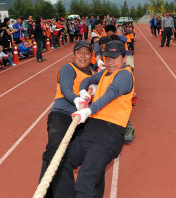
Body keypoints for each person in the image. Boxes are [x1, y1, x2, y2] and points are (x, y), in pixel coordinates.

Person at [53, 40, 134, 198]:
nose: (110, 62)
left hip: (110, 133)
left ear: (124, 58)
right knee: (62, 163)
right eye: (107, 58)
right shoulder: (105, 72)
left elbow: (111, 94)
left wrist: (88, 111)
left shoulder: (124, 75)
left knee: (85, 181)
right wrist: (83, 91)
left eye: (114, 58)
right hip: (92, 129)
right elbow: (87, 80)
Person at [39, 40, 94, 197]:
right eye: (79, 53)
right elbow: (65, 88)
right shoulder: (68, 69)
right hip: (62, 115)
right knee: (56, 151)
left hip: (82, 120)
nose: (83, 56)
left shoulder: (92, 74)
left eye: (86, 53)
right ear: (74, 54)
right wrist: (77, 99)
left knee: (69, 158)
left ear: (91, 55)